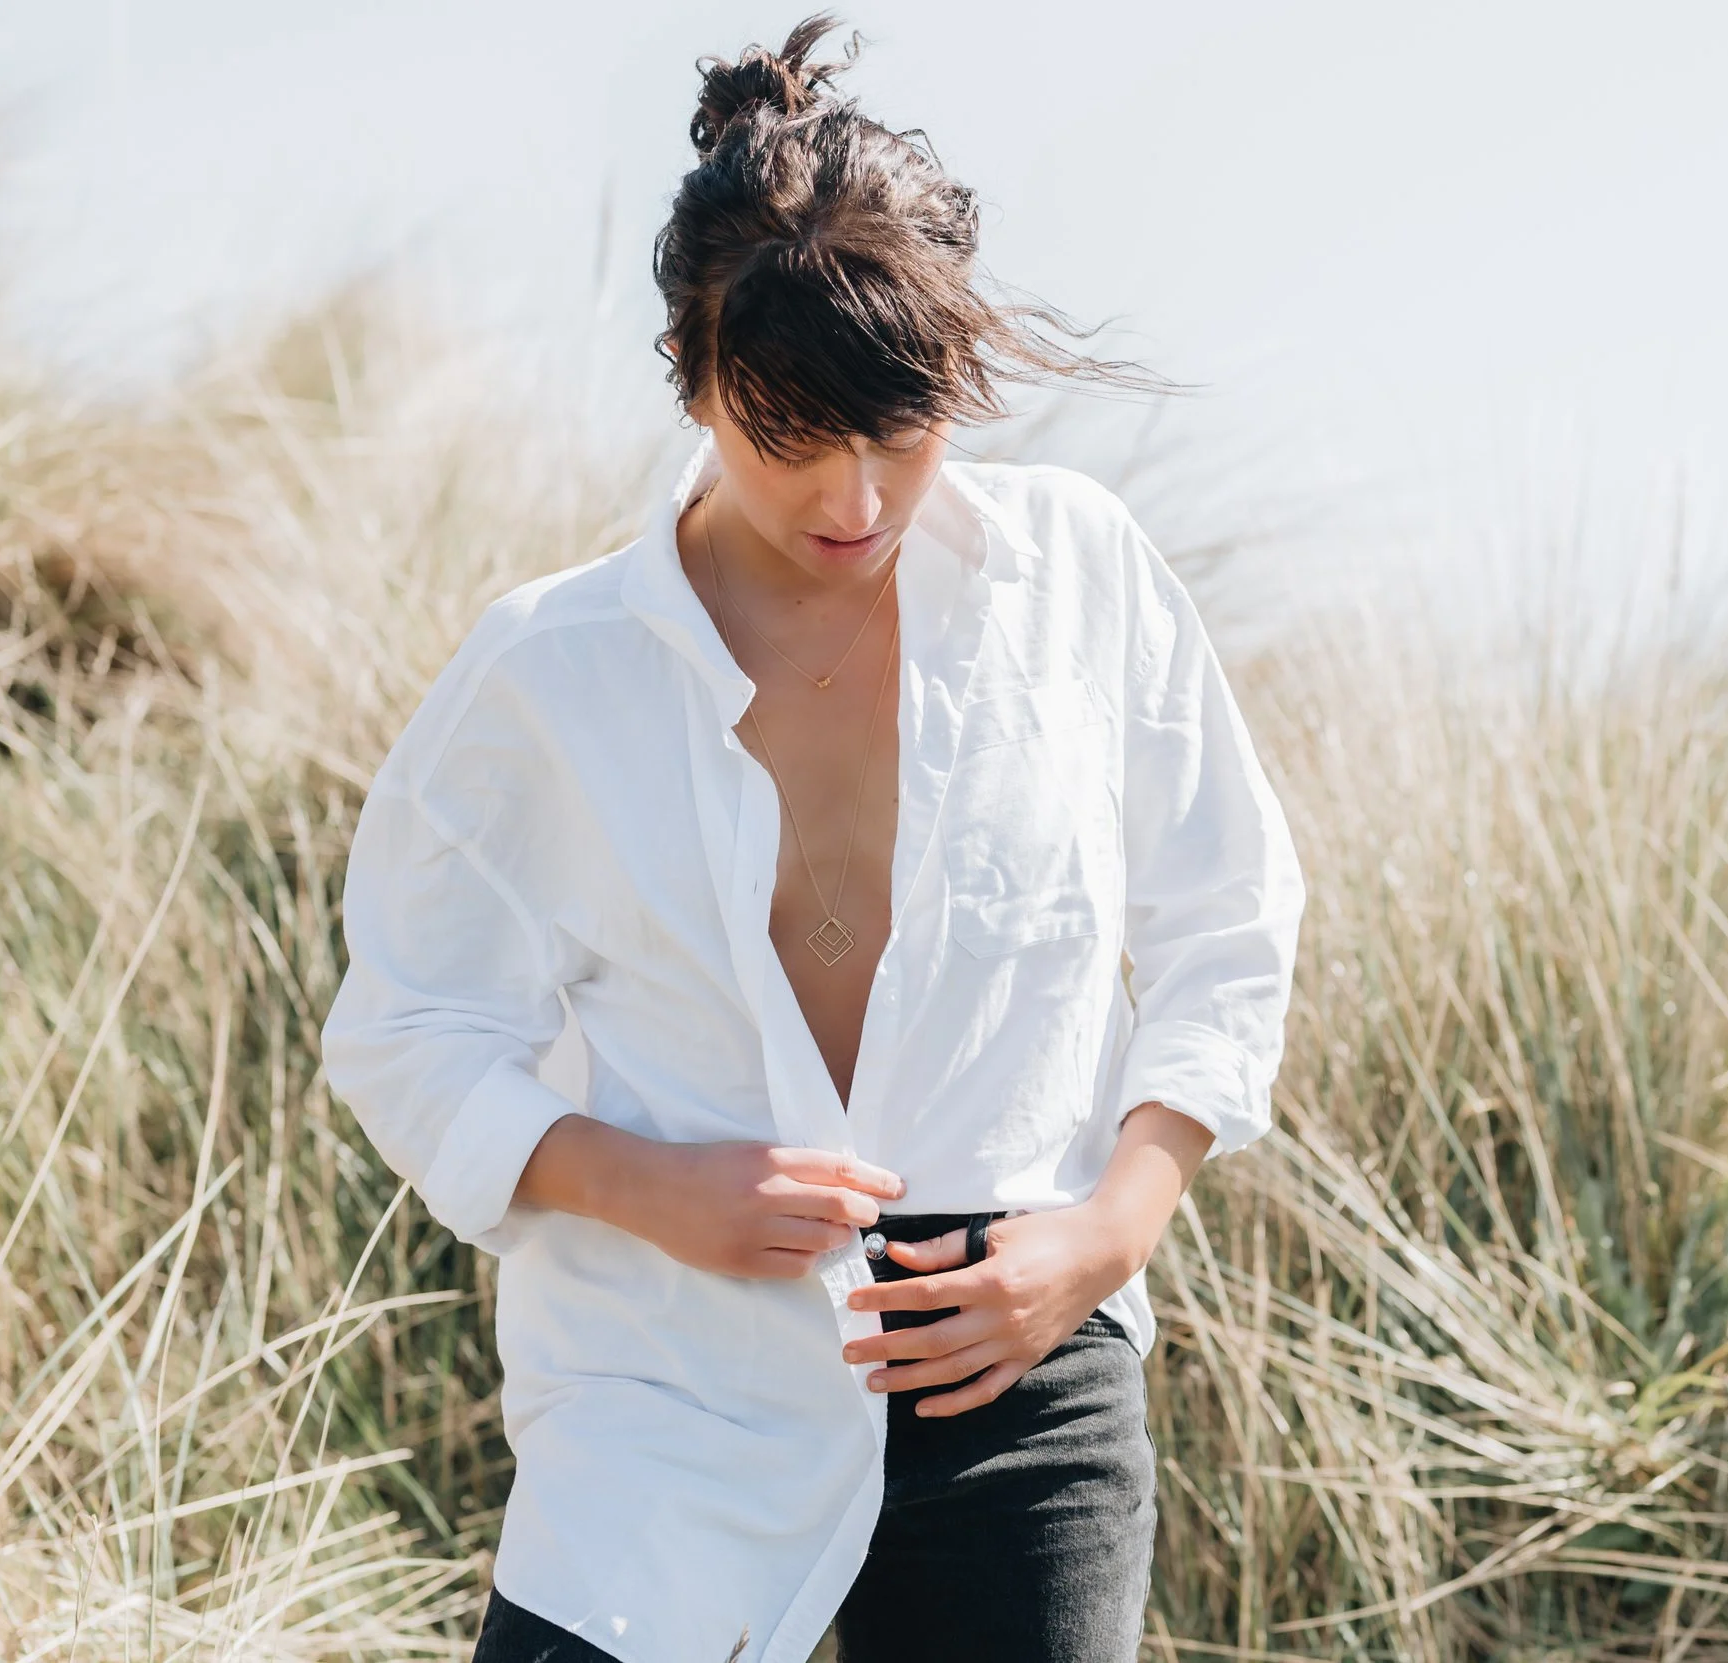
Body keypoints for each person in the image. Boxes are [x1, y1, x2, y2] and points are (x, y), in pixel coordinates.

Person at [317, 14, 1305, 1661]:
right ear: (692, 373)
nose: (855, 500)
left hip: (1019, 1377)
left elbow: (1230, 914)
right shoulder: (551, 670)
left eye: (901, 431)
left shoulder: (1080, 576)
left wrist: (1110, 1230)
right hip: (666, 1381)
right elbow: (406, 1025)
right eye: (791, 435)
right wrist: (644, 1184)